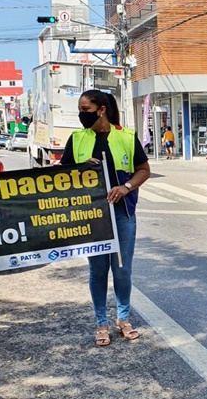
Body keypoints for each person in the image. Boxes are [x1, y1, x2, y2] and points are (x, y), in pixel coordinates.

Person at [60, 90, 150, 346]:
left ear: (101, 110)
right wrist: (80, 169)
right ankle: (101, 322)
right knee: (98, 270)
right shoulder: (77, 139)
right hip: (92, 217)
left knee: (122, 270)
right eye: (80, 110)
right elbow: (62, 177)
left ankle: (123, 319)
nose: (82, 115)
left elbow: (144, 170)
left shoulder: (126, 136)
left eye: (86, 110)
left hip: (122, 214)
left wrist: (126, 187)